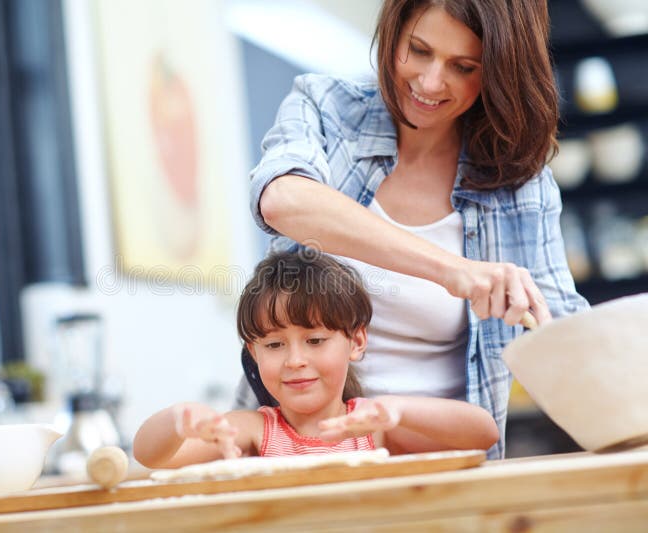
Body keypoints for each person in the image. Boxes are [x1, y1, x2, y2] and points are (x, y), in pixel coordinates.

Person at [238, 0, 589, 459]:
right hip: (297, 455)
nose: (429, 82)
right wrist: (450, 270)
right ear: (394, 32)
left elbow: (565, 331)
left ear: (498, 72)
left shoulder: (519, 184)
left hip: (442, 464)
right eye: (418, 50)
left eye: (463, 67)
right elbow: (282, 199)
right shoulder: (327, 109)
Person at [134, 252, 499, 469]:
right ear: (253, 353)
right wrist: (177, 420)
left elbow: (483, 434)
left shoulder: (371, 428)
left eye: (315, 340)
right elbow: (155, 458)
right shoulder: (252, 431)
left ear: (356, 341)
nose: (295, 360)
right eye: (275, 346)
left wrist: (397, 409)